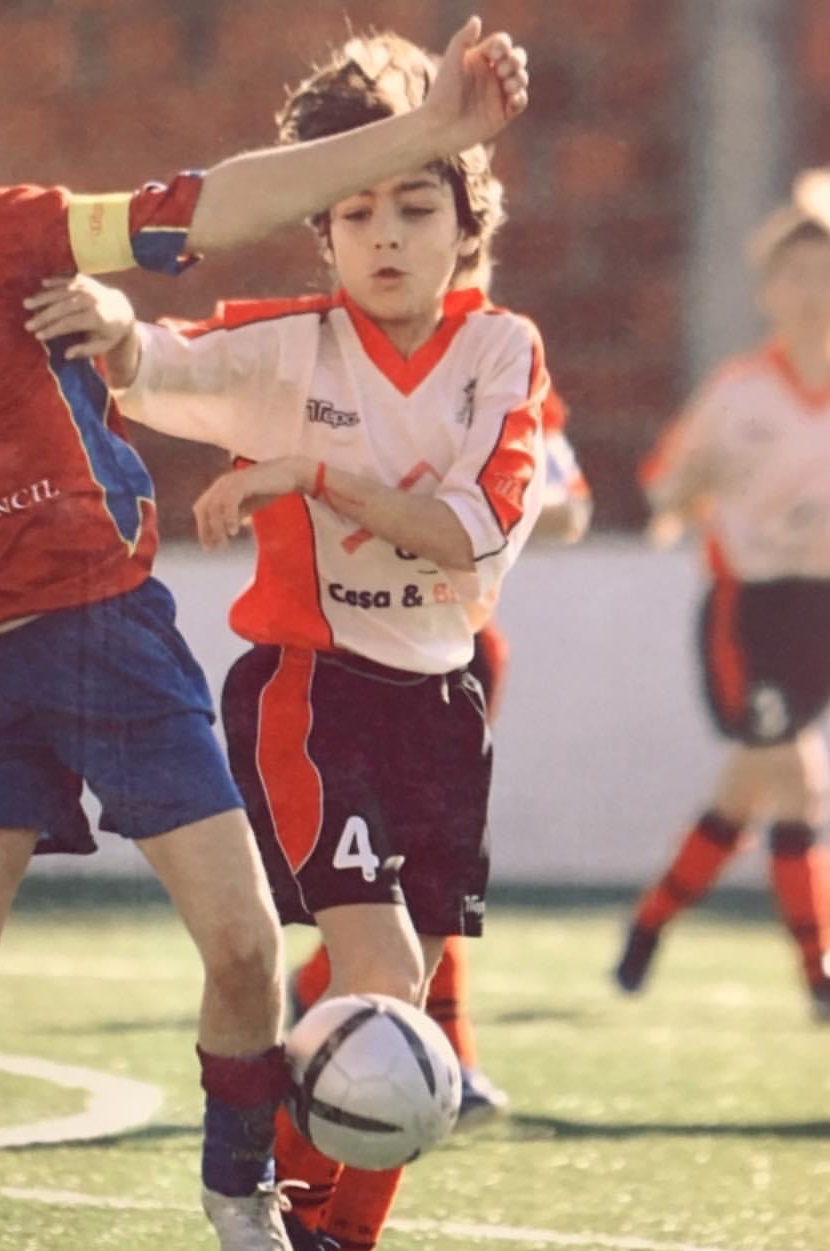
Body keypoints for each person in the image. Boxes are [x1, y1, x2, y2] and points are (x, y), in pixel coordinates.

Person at [0, 0, 530, 1251]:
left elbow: (210, 204)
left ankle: (242, 1198)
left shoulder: (6, 233)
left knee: (239, 951)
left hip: (108, 637)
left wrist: (436, 125)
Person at [25, 30, 546, 1251]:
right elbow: (163, 356)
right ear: (321, 233)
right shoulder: (290, 347)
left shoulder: (502, 358)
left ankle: (310, 1238)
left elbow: (466, 532)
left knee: (401, 1009)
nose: (382, 233)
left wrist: (312, 480)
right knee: (380, 988)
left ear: (467, 219)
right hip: (310, 697)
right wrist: (109, 323)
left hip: (441, 706)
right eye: (354, 209)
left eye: (414, 203)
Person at [286, 385, 592, 1129]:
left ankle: (333, 993)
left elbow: (570, 510)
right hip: (345, 647)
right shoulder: (329, 367)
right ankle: (438, 1048)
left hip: (458, 647)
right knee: (388, 860)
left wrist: (472, 515)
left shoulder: (506, 379)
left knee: (432, 856)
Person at [613, 172, 830, 1022]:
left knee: (747, 793)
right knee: (799, 782)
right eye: (798, 275)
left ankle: (650, 921)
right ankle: (819, 971)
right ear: (769, 289)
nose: (813, 291)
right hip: (752, 611)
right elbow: (669, 485)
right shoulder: (738, 393)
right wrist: (679, 504)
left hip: (823, 612)